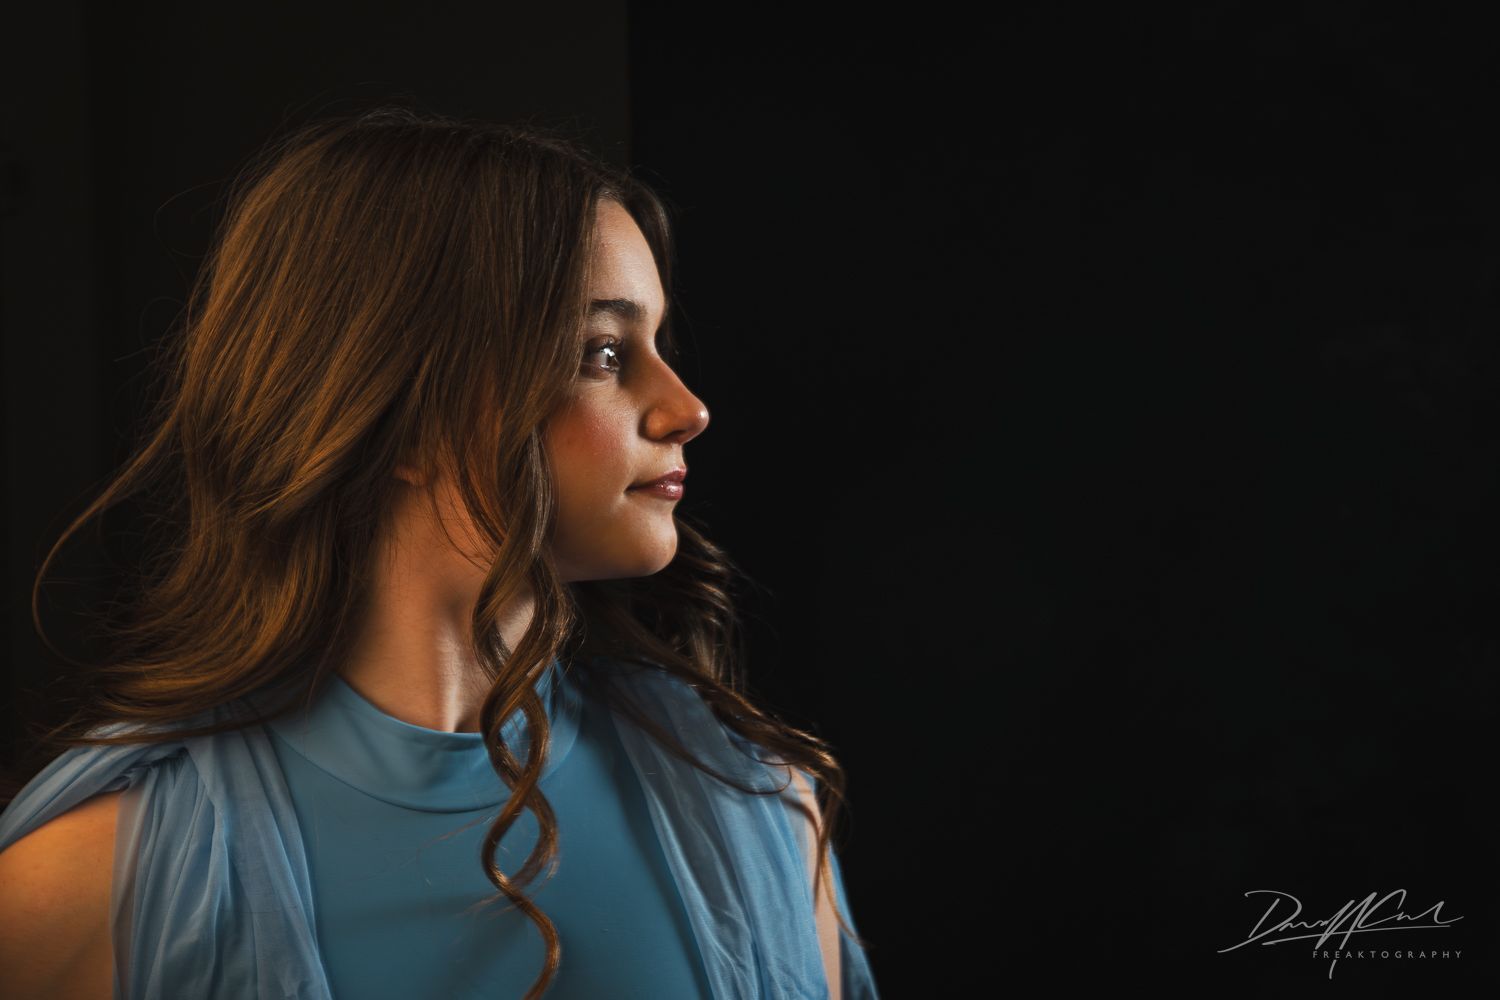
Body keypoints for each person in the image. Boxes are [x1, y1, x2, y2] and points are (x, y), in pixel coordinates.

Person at [0, 106, 878, 999]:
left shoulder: (758, 804)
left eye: (658, 344)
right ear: (402, 411)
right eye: (605, 353)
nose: (688, 407)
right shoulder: (89, 878)